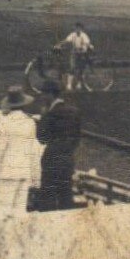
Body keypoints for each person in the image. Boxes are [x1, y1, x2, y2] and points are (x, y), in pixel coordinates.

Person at [0, 86, 41, 213]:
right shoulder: (30, 123)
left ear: (9, 105)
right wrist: (35, 176)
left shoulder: (5, 122)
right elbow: (33, 151)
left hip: (6, 173)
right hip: (24, 173)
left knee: (0, 215)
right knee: (18, 214)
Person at [36, 80, 82, 211]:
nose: (42, 97)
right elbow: (77, 138)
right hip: (67, 160)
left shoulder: (50, 114)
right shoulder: (74, 112)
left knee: (47, 199)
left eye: (44, 94)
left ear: (50, 95)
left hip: (51, 161)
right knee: (66, 197)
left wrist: (42, 118)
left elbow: (41, 138)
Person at [59, 22, 93, 92]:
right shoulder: (73, 35)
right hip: (74, 53)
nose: (77, 30)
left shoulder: (84, 35)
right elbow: (66, 40)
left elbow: (87, 43)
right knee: (72, 68)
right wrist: (59, 44)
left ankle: (79, 83)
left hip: (83, 54)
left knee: (81, 69)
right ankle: (69, 84)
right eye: (76, 28)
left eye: (79, 28)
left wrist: (87, 47)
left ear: (81, 29)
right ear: (75, 28)